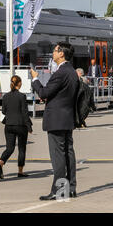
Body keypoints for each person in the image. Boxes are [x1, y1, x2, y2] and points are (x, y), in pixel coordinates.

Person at [31, 42, 79, 200]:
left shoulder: (60, 72)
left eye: (55, 50)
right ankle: (71, 187)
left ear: (62, 54)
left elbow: (44, 92)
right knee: (68, 154)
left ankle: (59, 191)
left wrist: (35, 80)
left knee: (58, 156)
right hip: (67, 118)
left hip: (56, 120)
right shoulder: (72, 71)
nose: (53, 52)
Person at [0, 75, 33, 179]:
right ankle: (20, 172)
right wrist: (29, 126)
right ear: (19, 83)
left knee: (9, 148)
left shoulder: (6, 96)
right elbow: (25, 113)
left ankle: (0, 163)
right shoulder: (22, 96)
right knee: (21, 149)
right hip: (20, 125)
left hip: (8, 125)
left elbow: (3, 111)